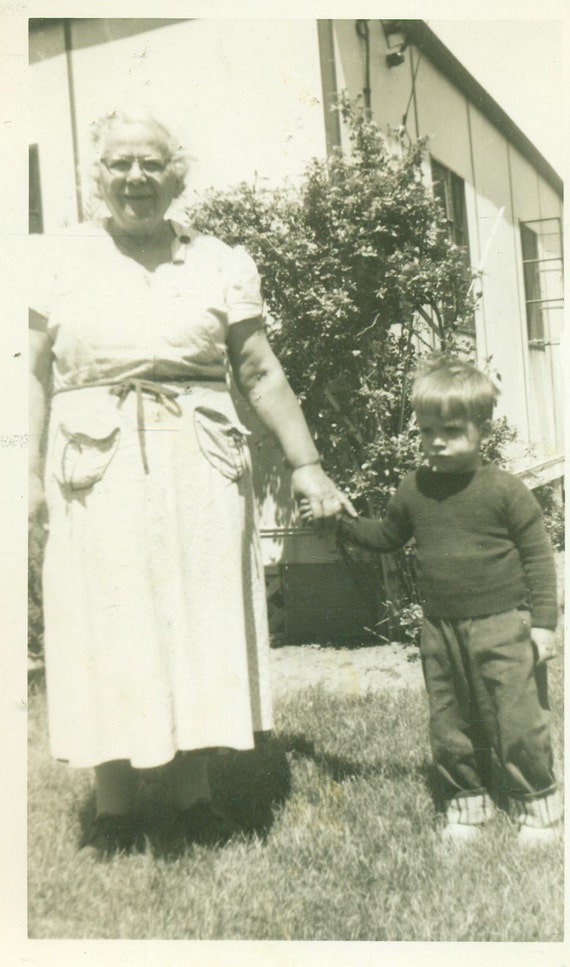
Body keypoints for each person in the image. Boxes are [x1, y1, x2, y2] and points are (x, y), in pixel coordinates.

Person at [29, 105, 353, 857]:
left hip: (199, 464)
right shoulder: (56, 261)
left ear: (177, 175)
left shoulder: (220, 262)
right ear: (95, 175)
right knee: (105, 623)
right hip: (92, 466)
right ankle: (113, 806)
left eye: (153, 163)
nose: (136, 177)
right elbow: (31, 378)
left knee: (194, 617)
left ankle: (194, 796)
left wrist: (305, 462)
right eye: (120, 164)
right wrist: (24, 479)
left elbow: (260, 370)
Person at [327, 356, 561, 846]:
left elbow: (539, 559)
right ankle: (466, 804)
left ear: (482, 429)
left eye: (450, 430)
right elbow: (388, 536)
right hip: (440, 630)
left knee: (517, 720)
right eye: (427, 429)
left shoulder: (505, 490)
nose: (436, 440)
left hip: (504, 624)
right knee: (450, 722)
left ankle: (538, 806)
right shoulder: (415, 489)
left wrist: (543, 625)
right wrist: (342, 521)